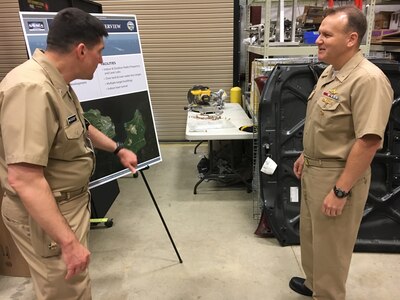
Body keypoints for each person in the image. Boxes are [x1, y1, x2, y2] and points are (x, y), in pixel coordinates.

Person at [0, 8, 138, 299]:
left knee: (64, 288)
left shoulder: (55, 82)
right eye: (100, 51)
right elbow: (24, 178)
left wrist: (118, 148)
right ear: (81, 50)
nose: (102, 60)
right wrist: (69, 243)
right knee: (66, 292)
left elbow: (79, 124)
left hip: (66, 206)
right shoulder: (32, 89)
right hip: (47, 216)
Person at [289, 6, 393, 300]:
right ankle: (314, 284)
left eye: (326, 35)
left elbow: (368, 141)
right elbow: (324, 124)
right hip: (314, 168)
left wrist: (341, 189)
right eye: (319, 33)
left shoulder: (368, 80)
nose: (317, 40)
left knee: (332, 247)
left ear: (351, 39)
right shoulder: (332, 73)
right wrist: (304, 154)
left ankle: (328, 293)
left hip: (338, 174)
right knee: (312, 236)